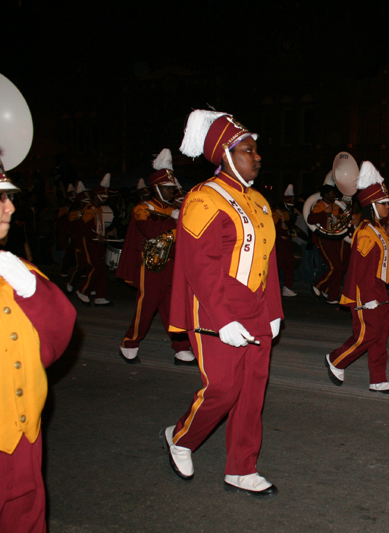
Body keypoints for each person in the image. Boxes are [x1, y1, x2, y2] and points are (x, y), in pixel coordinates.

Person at [162, 110, 283, 497]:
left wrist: (275, 312)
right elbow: (200, 267)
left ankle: (241, 468)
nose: (257, 156)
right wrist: (224, 319)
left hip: (257, 310)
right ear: (226, 155)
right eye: (248, 149)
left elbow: (268, 262)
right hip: (216, 310)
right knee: (224, 389)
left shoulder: (260, 202)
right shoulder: (203, 198)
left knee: (252, 393)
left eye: (256, 149)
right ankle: (180, 437)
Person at [0, 117, 76, 533]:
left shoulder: (10, 269)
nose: (11, 206)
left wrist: (33, 291)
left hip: (24, 442)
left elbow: (55, 339)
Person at [325, 162, 389, 393]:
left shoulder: (378, 231)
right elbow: (360, 270)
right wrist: (366, 298)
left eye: (388, 203)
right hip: (367, 293)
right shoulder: (366, 231)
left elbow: (381, 264)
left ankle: (378, 378)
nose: (388, 207)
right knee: (366, 335)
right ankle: (336, 359)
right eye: (384, 204)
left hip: (379, 289)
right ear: (372, 204)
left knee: (380, 338)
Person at [116, 149, 195, 366]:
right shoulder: (144, 208)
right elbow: (151, 231)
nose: (173, 193)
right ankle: (129, 343)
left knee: (174, 307)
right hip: (151, 266)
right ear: (158, 188)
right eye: (169, 189)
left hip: (173, 265)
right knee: (147, 304)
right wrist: (174, 220)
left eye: (173, 189)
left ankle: (181, 348)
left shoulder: (174, 210)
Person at [74, 174, 112, 306]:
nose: (105, 199)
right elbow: (84, 228)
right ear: (96, 195)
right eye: (103, 196)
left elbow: (99, 226)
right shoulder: (90, 209)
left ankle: (100, 296)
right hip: (90, 243)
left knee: (101, 269)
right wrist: (97, 236)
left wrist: (106, 233)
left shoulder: (98, 209)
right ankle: (83, 291)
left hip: (98, 243)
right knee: (95, 267)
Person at [308, 184, 346, 304]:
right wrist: (326, 216)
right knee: (334, 267)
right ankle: (318, 285)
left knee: (340, 268)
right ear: (325, 195)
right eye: (332, 193)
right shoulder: (319, 205)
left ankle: (331, 294)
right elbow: (311, 219)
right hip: (324, 239)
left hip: (335, 239)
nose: (334, 196)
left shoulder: (336, 206)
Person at [272, 184, 298, 297]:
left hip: (286, 243)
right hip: (279, 243)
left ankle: (287, 287)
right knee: (277, 266)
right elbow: (273, 228)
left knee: (289, 266)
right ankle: (272, 288)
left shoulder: (287, 213)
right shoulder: (276, 213)